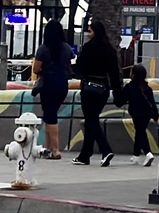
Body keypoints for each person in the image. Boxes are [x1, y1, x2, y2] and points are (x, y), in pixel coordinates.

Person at [74, 17, 119, 164]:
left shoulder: (89, 47)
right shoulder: (110, 49)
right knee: (91, 120)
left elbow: (80, 67)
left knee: (91, 120)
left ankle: (106, 150)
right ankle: (84, 155)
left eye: (90, 31)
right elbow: (114, 73)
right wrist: (118, 93)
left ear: (95, 32)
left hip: (89, 88)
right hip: (103, 89)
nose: (88, 33)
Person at [34, 13, 71, 160]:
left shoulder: (43, 49)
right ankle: (47, 149)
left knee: (50, 116)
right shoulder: (67, 48)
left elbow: (36, 69)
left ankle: (55, 149)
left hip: (48, 84)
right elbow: (69, 65)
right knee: (50, 114)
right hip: (62, 84)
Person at [124, 38, 156, 166]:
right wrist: (156, 115)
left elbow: (121, 99)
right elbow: (152, 101)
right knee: (140, 130)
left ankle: (148, 153)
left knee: (140, 131)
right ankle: (136, 155)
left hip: (136, 112)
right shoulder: (147, 87)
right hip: (147, 113)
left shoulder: (130, 86)